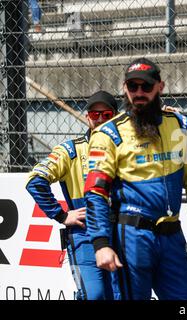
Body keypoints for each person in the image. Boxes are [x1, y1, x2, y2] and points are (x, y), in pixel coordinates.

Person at [84, 58, 187, 300]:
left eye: (146, 87)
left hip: (172, 237)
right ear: (125, 89)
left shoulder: (179, 125)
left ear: (160, 87)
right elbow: (95, 193)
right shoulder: (108, 134)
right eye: (132, 87)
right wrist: (101, 243)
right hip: (132, 239)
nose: (139, 93)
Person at [26, 90, 120, 300]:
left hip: (122, 233)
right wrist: (61, 215)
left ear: (115, 117)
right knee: (94, 295)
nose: (100, 119)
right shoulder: (70, 150)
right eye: (95, 115)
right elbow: (35, 181)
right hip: (84, 234)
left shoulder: (127, 149)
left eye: (106, 115)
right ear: (87, 117)